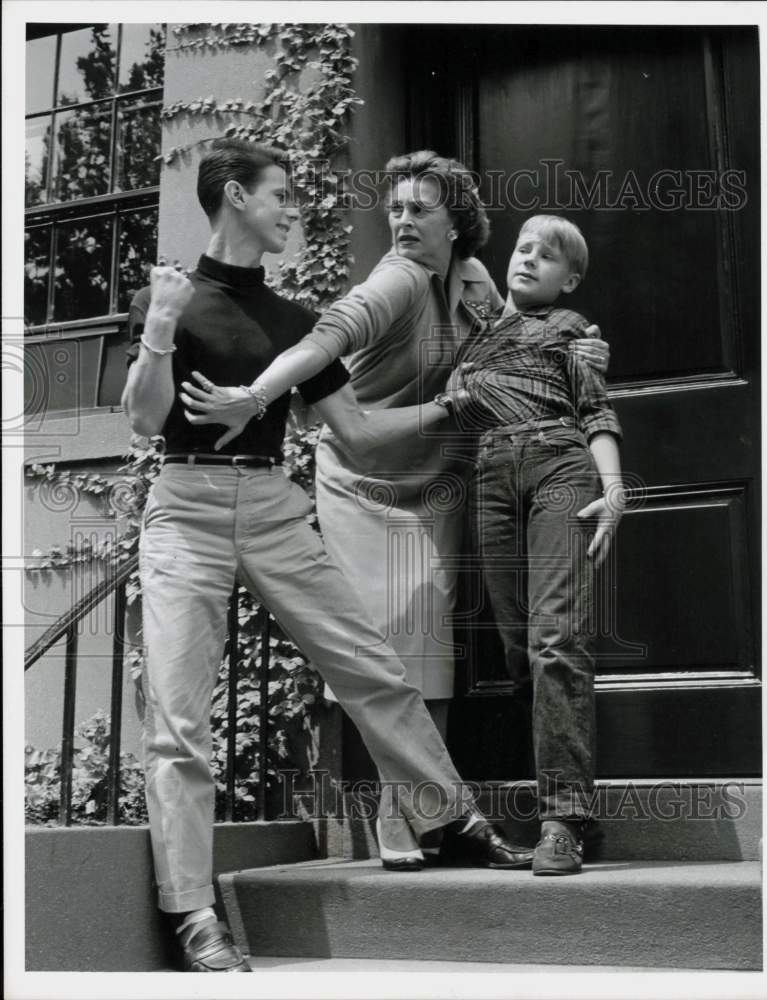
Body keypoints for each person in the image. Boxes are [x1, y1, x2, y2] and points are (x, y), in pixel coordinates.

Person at [122, 138, 535, 974]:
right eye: (280, 196)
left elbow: (355, 432)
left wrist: (457, 405)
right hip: (186, 508)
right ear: (236, 196)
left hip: (274, 504)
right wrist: (159, 332)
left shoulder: (292, 321)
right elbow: (143, 419)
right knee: (179, 720)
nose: (293, 210)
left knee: (372, 665)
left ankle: (449, 815)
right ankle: (194, 912)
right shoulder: (167, 299)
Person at [181, 150, 610, 867]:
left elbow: (521, 343)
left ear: (457, 220)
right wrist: (255, 396)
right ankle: (396, 817)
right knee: (389, 653)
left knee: (429, 654)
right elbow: (323, 340)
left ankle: (415, 810)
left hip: (435, 480)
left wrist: (581, 346)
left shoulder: (474, 281)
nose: (404, 221)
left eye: (420, 209)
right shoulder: (396, 280)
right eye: (398, 209)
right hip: (364, 482)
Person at [449, 214, 624, 875]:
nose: (527, 260)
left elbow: (597, 412)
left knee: (557, 639)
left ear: (568, 279)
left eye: (545, 257)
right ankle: (580, 811)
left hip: (558, 466)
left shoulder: (572, 332)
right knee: (521, 649)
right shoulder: (477, 333)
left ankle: (560, 822)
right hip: (492, 481)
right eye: (521, 249)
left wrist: (613, 488)